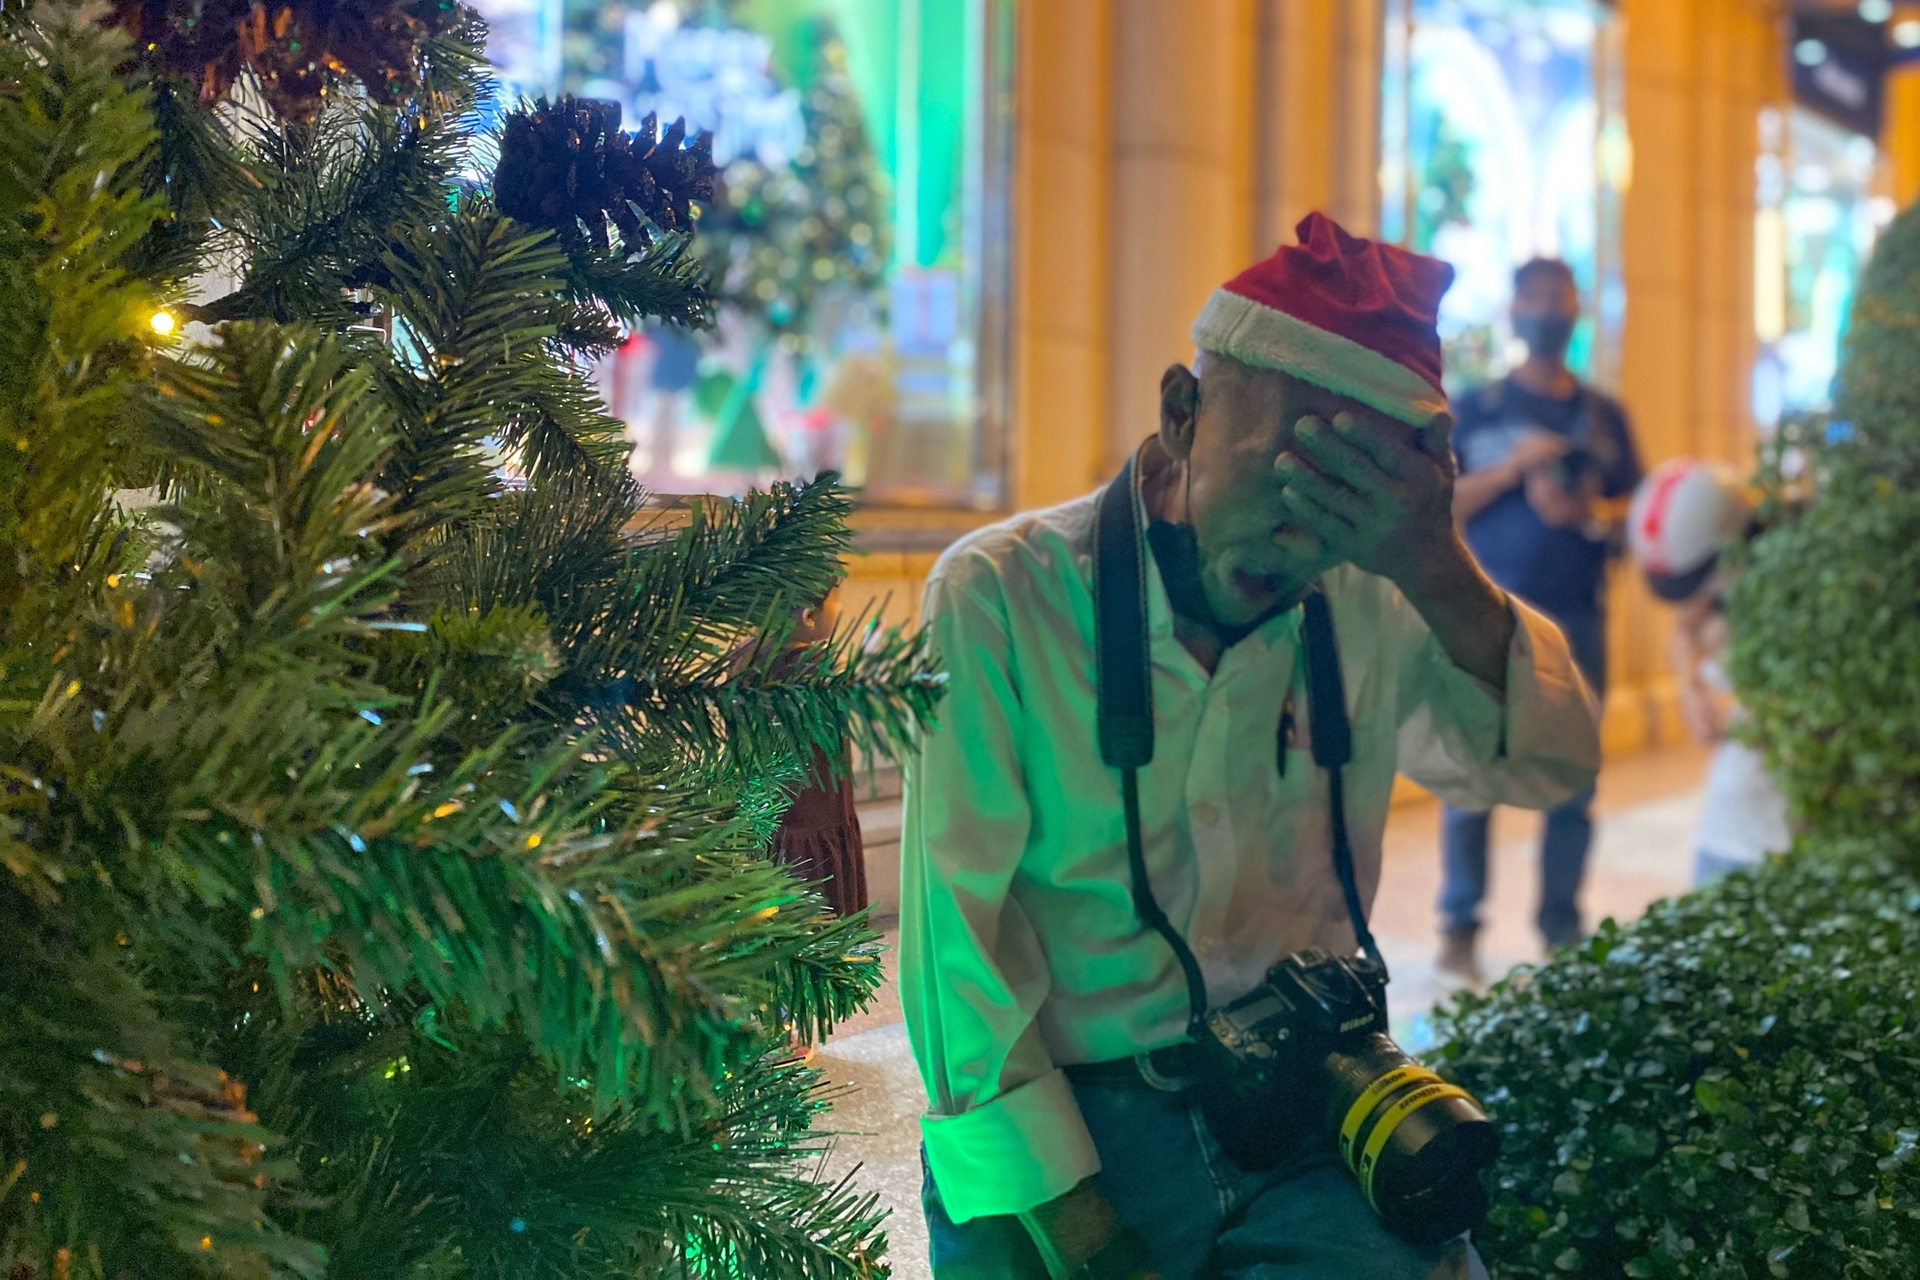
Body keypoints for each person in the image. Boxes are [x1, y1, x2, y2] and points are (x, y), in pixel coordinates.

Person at [900, 215, 1599, 1280]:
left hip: (1303, 1100)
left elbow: (1550, 763)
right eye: (1288, 473)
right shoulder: (999, 595)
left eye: (1344, 499)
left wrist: (1434, 563)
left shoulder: (1367, 587)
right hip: (1067, 1113)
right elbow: (957, 952)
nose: (1302, 536)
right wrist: (1082, 1226)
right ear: (1182, 411)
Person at [1438, 258, 1642, 980]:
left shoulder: (1605, 417)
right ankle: (1459, 926)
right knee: (1471, 775)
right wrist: (1515, 469)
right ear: (1514, 307)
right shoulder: (1476, 408)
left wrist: (1587, 511)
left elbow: (1642, 517)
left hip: (1579, 618)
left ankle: (1562, 930)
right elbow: (1439, 505)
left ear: (1577, 309)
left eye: (1560, 296)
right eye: (1535, 295)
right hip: (1486, 615)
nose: (1548, 309)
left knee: (1574, 782)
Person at [1624, 459, 1790, 885]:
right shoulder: (1716, 583)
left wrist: (1771, 712)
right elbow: (1684, 628)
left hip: (1790, 820)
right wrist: (1690, 688)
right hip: (1729, 820)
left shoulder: (1794, 569)